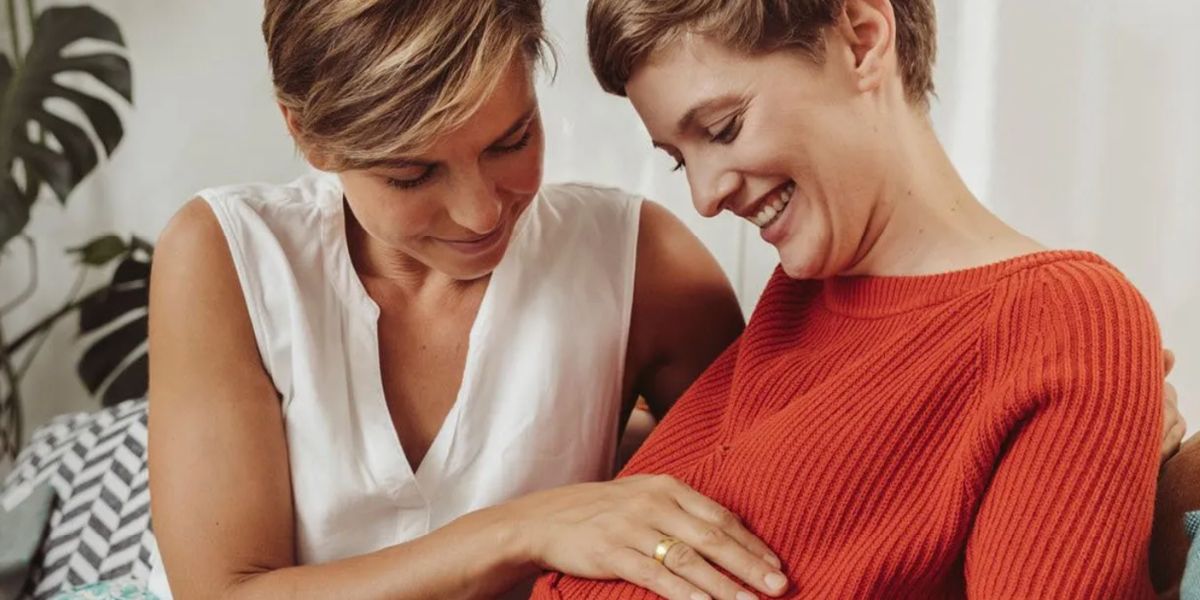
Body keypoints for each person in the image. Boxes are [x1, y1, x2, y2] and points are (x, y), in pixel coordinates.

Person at [530, 0, 1176, 598]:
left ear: (862, 41)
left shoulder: (1063, 319)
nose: (704, 196)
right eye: (678, 158)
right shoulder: (801, 299)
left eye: (723, 129)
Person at [143, 2, 787, 600]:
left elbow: (745, 505)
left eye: (510, 141)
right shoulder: (227, 255)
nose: (480, 213)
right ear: (308, 137)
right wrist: (523, 529)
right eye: (411, 174)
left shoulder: (647, 267)